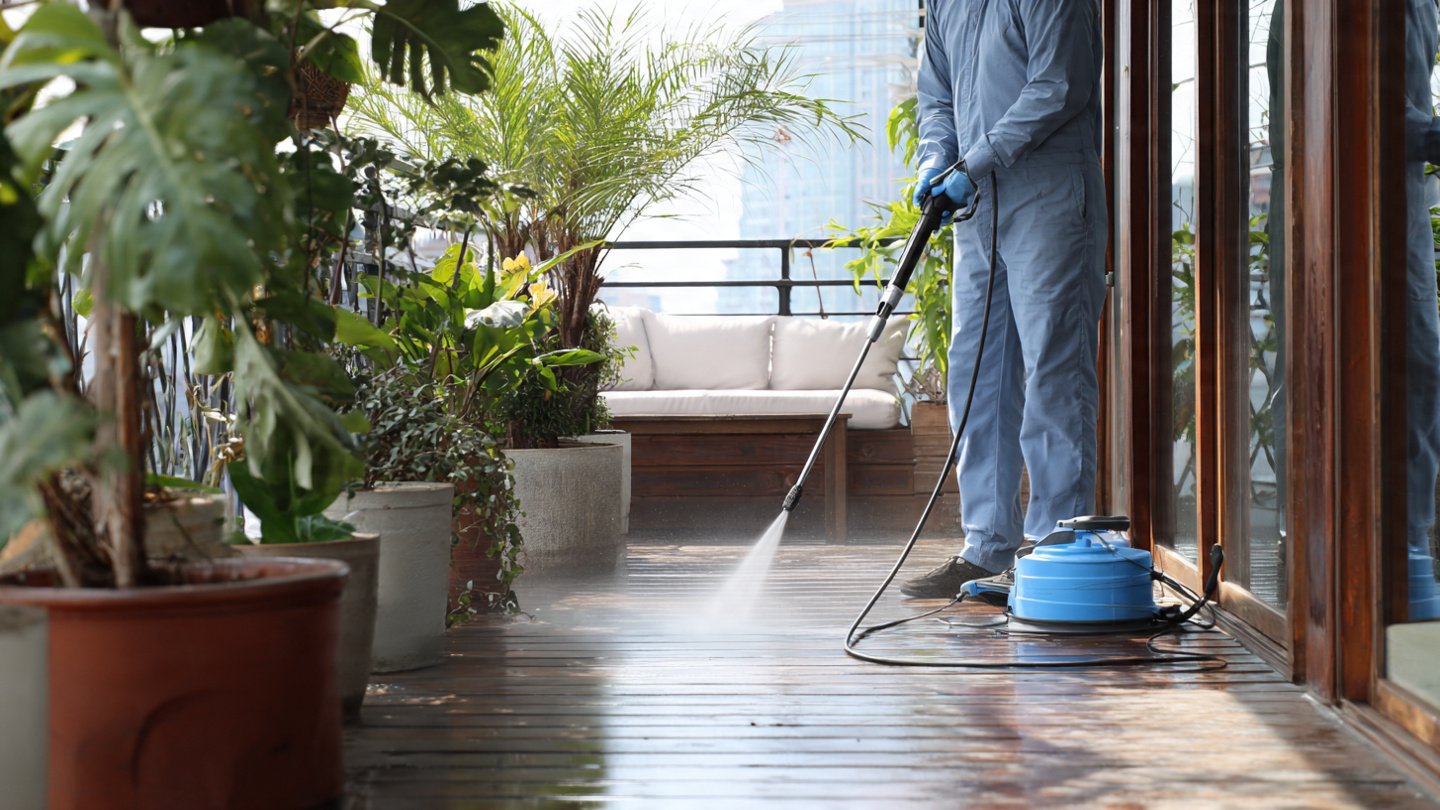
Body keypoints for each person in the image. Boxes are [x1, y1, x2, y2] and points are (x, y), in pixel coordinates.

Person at [901, 0, 1108, 598]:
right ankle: (986, 547)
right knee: (976, 371)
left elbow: (1058, 86)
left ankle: (1054, 548)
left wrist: (979, 157)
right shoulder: (945, 6)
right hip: (976, 208)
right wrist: (938, 157)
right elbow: (936, 98)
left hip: (1048, 194)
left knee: (1053, 367)